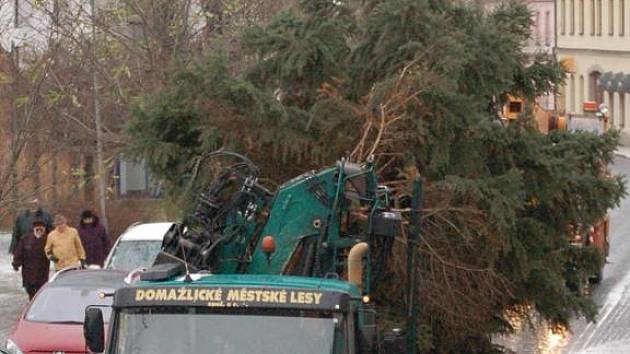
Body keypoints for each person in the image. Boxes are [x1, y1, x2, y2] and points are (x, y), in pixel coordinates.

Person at [12, 219, 50, 300]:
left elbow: (54, 251)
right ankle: (31, 304)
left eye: (41, 229)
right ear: (34, 229)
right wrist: (16, 263)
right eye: (37, 229)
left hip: (42, 269)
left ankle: (38, 305)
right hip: (28, 270)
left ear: (44, 229)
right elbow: (19, 252)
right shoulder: (25, 238)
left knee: (41, 290)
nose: (39, 231)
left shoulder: (48, 239)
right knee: (29, 289)